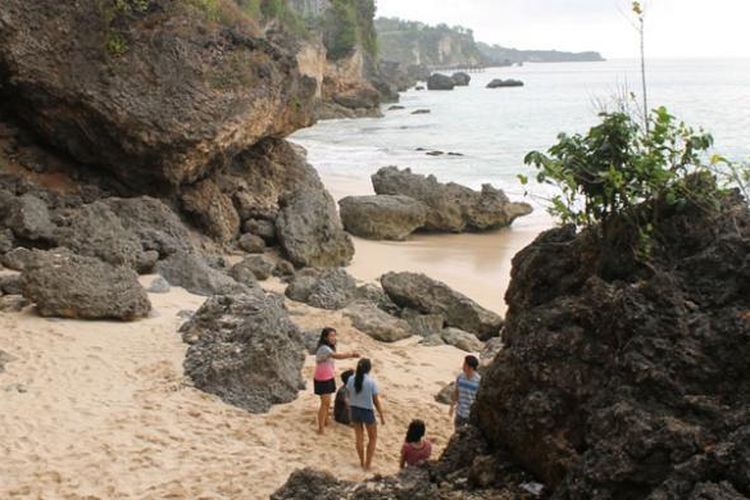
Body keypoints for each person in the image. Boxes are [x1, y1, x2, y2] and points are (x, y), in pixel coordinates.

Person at [314, 327, 359, 434]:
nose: (333, 338)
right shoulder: (324, 348)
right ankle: (320, 428)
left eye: (334, 335)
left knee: (326, 403)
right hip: (322, 379)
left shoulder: (328, 347)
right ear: (325, 337)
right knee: (325, 404)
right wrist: (351, 355)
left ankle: (325, 422)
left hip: (328, 377)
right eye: (331, 336)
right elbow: (337, 356)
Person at [346, 358, 385, 470]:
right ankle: (367, 465)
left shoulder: (350, 379)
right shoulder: (371, 382)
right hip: (367, 411)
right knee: (372, 438)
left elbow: (348, 396)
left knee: (359, 437)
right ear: (369, 369)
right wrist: (381, 416)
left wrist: (349, 411)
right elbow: (375, 401)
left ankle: (362, 461)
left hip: (354, 409)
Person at [449, 355, 481, 429]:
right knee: (457, 432)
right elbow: (456, 392)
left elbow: (479, 399)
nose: (463, 366)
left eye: (464, 364)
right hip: (460, 411)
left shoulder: (479, 381)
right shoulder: (460, 377)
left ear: (471, 367)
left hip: (471, 414)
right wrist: (451, 407)